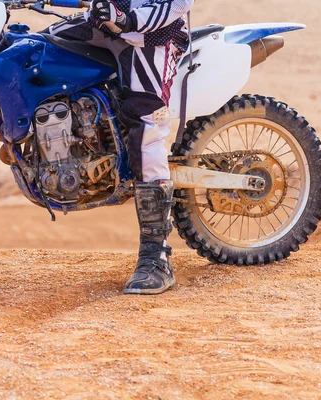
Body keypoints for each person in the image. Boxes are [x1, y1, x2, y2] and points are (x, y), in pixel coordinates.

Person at [49, 0, 195, 295]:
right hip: (103, 25)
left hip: (152, 37)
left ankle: (157, 258)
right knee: (31, 53)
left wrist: (128, 18)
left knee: (145, 124)